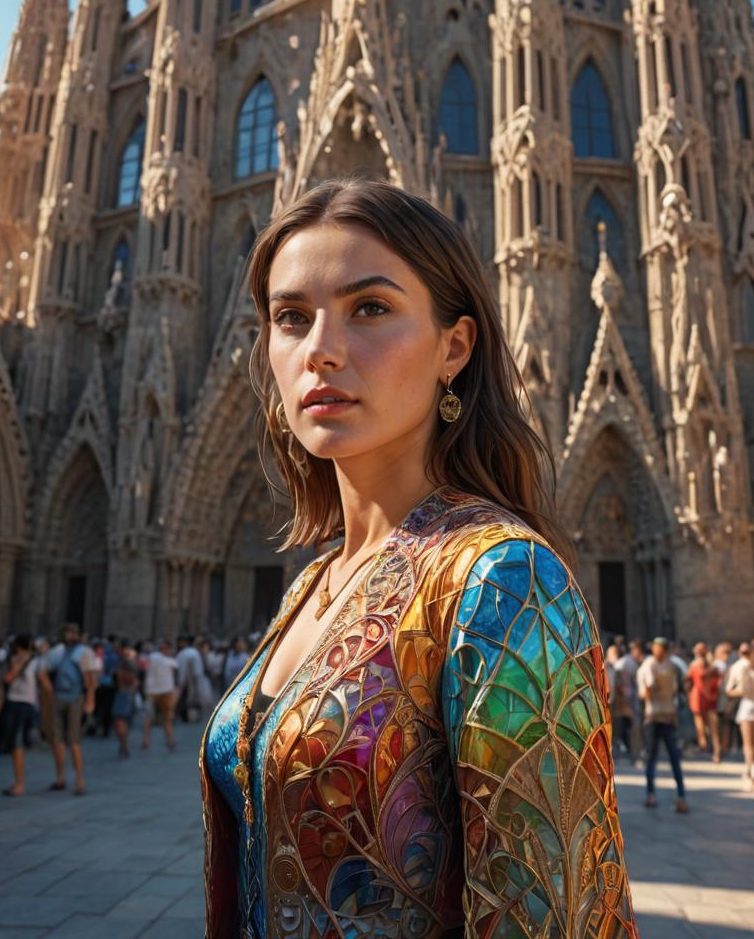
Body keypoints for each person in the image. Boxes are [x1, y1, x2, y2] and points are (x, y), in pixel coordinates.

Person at [200, 178, 637, 936]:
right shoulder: (315, 582)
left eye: (369, 308)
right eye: (291, 318)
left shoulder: (503, 579)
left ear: (454, 347)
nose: (321, 351)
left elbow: (559, 917)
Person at [37, 623, 96, 796]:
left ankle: (79, 780)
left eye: (74, 633)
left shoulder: (84, 652)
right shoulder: (58, 651)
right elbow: (42, 670)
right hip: (58, 697)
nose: (71, 636)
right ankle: (60, 778)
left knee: (74, 741)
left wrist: (90, 701)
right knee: (57, 740)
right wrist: (49, 691)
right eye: (68, 633)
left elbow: (90, 679)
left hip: (75, 699)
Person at [637, 637, 688, 813]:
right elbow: (646, 692)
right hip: (653, 716)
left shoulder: (670, 666)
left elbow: (678, 688)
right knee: (652, 757)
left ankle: (680, 796)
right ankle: (651, 794)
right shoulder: (651, 665)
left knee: (672, 757)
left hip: (666, 716)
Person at [0, 634, 39, 796]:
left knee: (17, 742)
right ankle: (19, 781)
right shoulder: (15, 659)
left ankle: (19, 783)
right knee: (16, 743)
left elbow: (9, 679)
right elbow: (6, 680)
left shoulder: (34, 661)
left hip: (24, 705)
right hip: (15, 703)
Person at [726, 642, 754, 792]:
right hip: (752, 707)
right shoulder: (743, 667)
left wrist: (742, 691)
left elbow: (730, 690)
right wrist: (743, 691)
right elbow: (731, 690)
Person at [687, 642, 721, 761]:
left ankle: (711, 748)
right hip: (704, 696)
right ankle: (711, 748)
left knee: (706, 724)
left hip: (703, 696)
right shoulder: (709, 665)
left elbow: (688, 680)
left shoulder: (697, 665)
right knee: (707, 725)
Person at [143, 639, 178, 751]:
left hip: (152, 691)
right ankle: (170, 740)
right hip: (166, 691)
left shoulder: (152, 657)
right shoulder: (169, 660)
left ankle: (146, 741)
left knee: (149, 716)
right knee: (167, 718)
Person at [112, 650, 140, 758]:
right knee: (124, 723)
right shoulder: (132, 676)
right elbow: (136, 684)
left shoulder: (120, 673)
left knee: (120, 722)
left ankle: (123, 744)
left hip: (122, 697)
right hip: (129, 697)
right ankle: (123, 743)